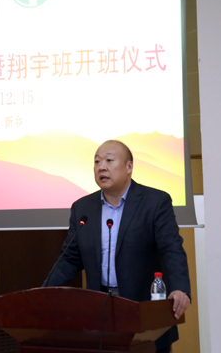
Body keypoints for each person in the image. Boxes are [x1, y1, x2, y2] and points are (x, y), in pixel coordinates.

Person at [43, 139, 191, 353]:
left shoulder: (155, 202)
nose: (101, 167)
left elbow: (171, 249)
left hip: (144, 311)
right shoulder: (82, 208)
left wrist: (179, 288)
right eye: (97, 161)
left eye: (109, 160)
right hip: (99, 313)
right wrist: (44, 292)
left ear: (129, 166)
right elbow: (70, 258)